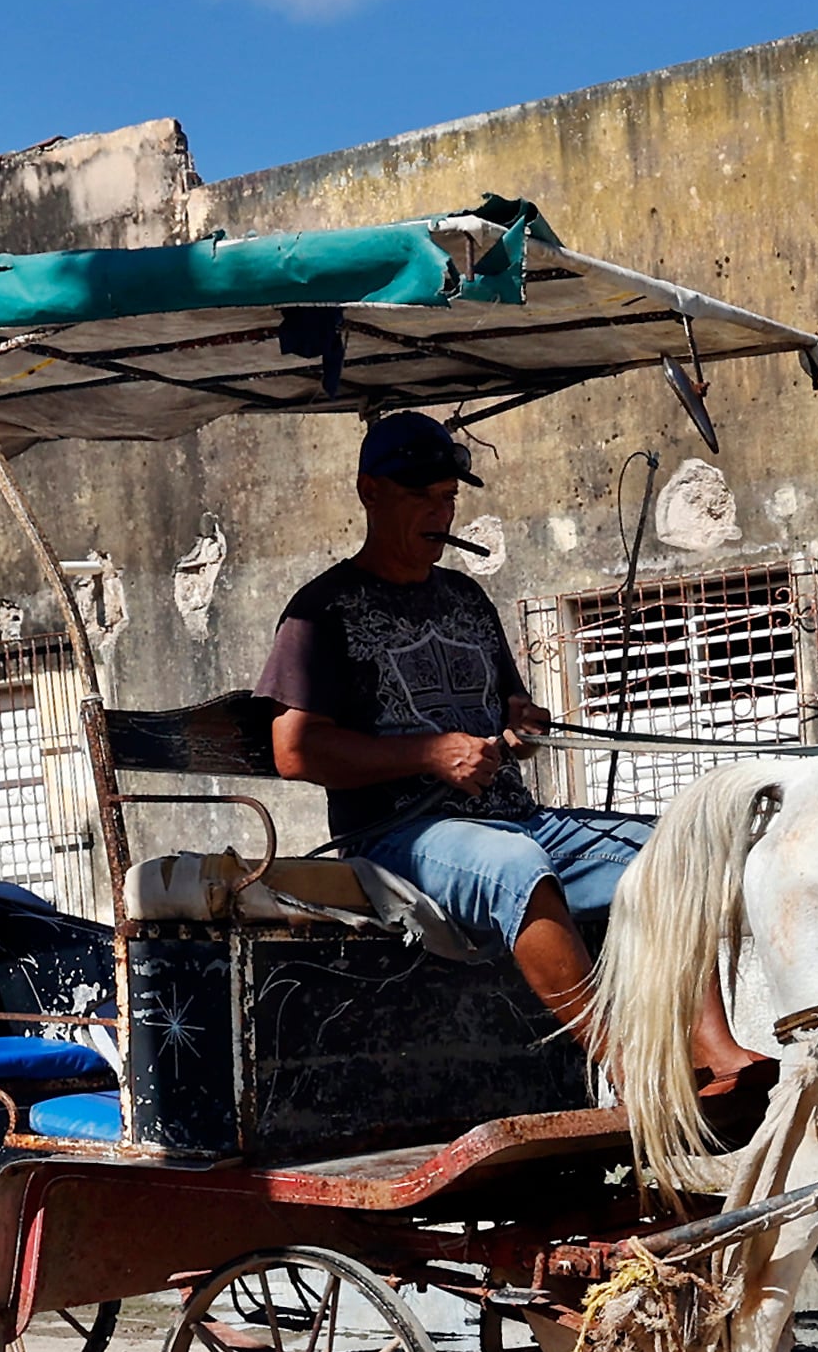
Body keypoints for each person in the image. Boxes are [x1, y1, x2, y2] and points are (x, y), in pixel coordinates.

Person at [262, 411, 745, 1084]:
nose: (439, 513)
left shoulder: (466, 599)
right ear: (369, 492)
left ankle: (716, 1051)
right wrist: (429, 756)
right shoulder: (321, 611)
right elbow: (295, 751)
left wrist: (520, 724)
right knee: (515, 863)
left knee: (671, 847)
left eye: (448, 498)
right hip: (397, 835)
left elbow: (505, 714)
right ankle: (626, 1065)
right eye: (419, 498)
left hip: (510, 816)